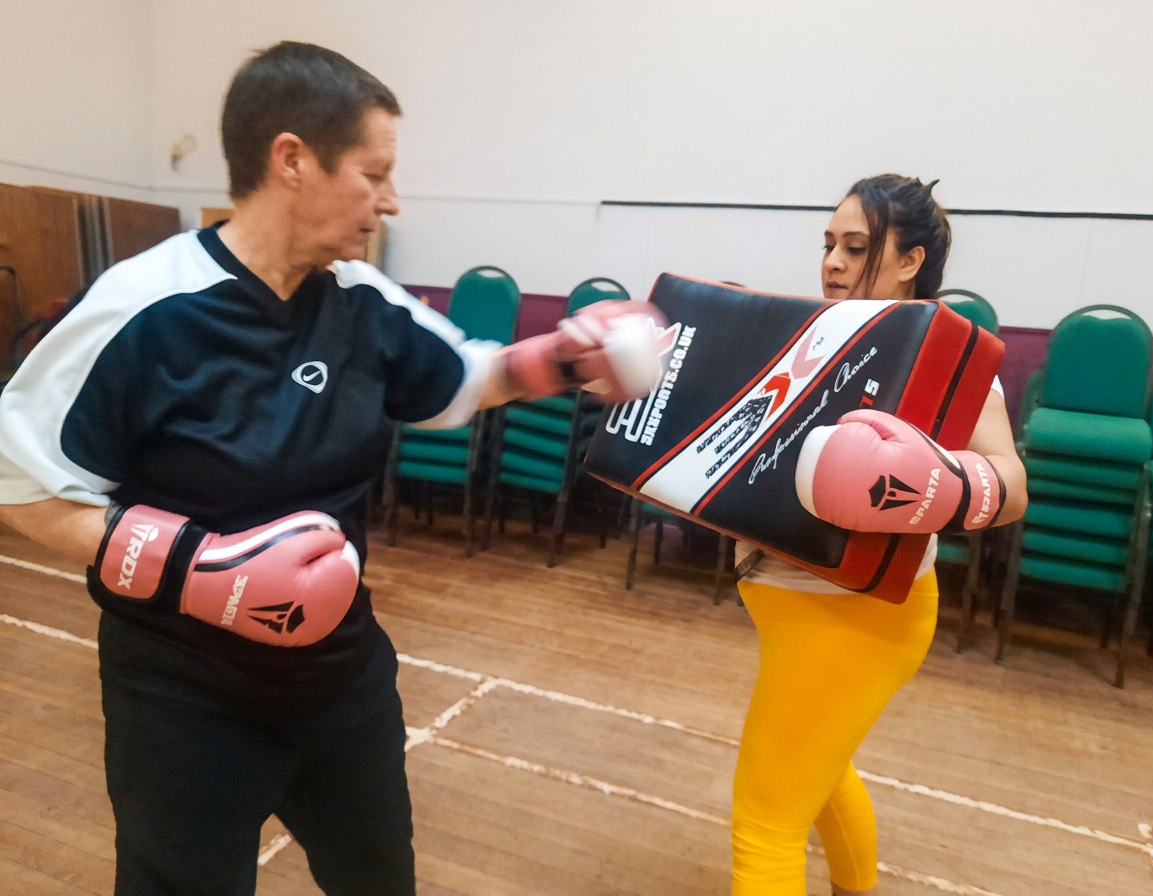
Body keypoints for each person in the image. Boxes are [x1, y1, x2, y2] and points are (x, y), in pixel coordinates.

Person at [0, 41, 662, 896]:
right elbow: (20, 484)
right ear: (292, 161)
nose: (390, 200)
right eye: (373, 173)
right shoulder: (142, 307)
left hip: (340, 680)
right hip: (183, 702)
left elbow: (466, 378)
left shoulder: (361, 300)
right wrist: (197, 570)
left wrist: (566, 358)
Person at [730, 174, 1028, 895]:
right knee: (822, 773)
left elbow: (1013, 487)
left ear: (910, 260)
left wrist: (934, 482)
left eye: (856, 247)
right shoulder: (809, 336)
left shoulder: (948, 360)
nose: (832, 261)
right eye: (828, 244)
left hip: (855, 617)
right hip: (785, 599)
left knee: (764, 824)